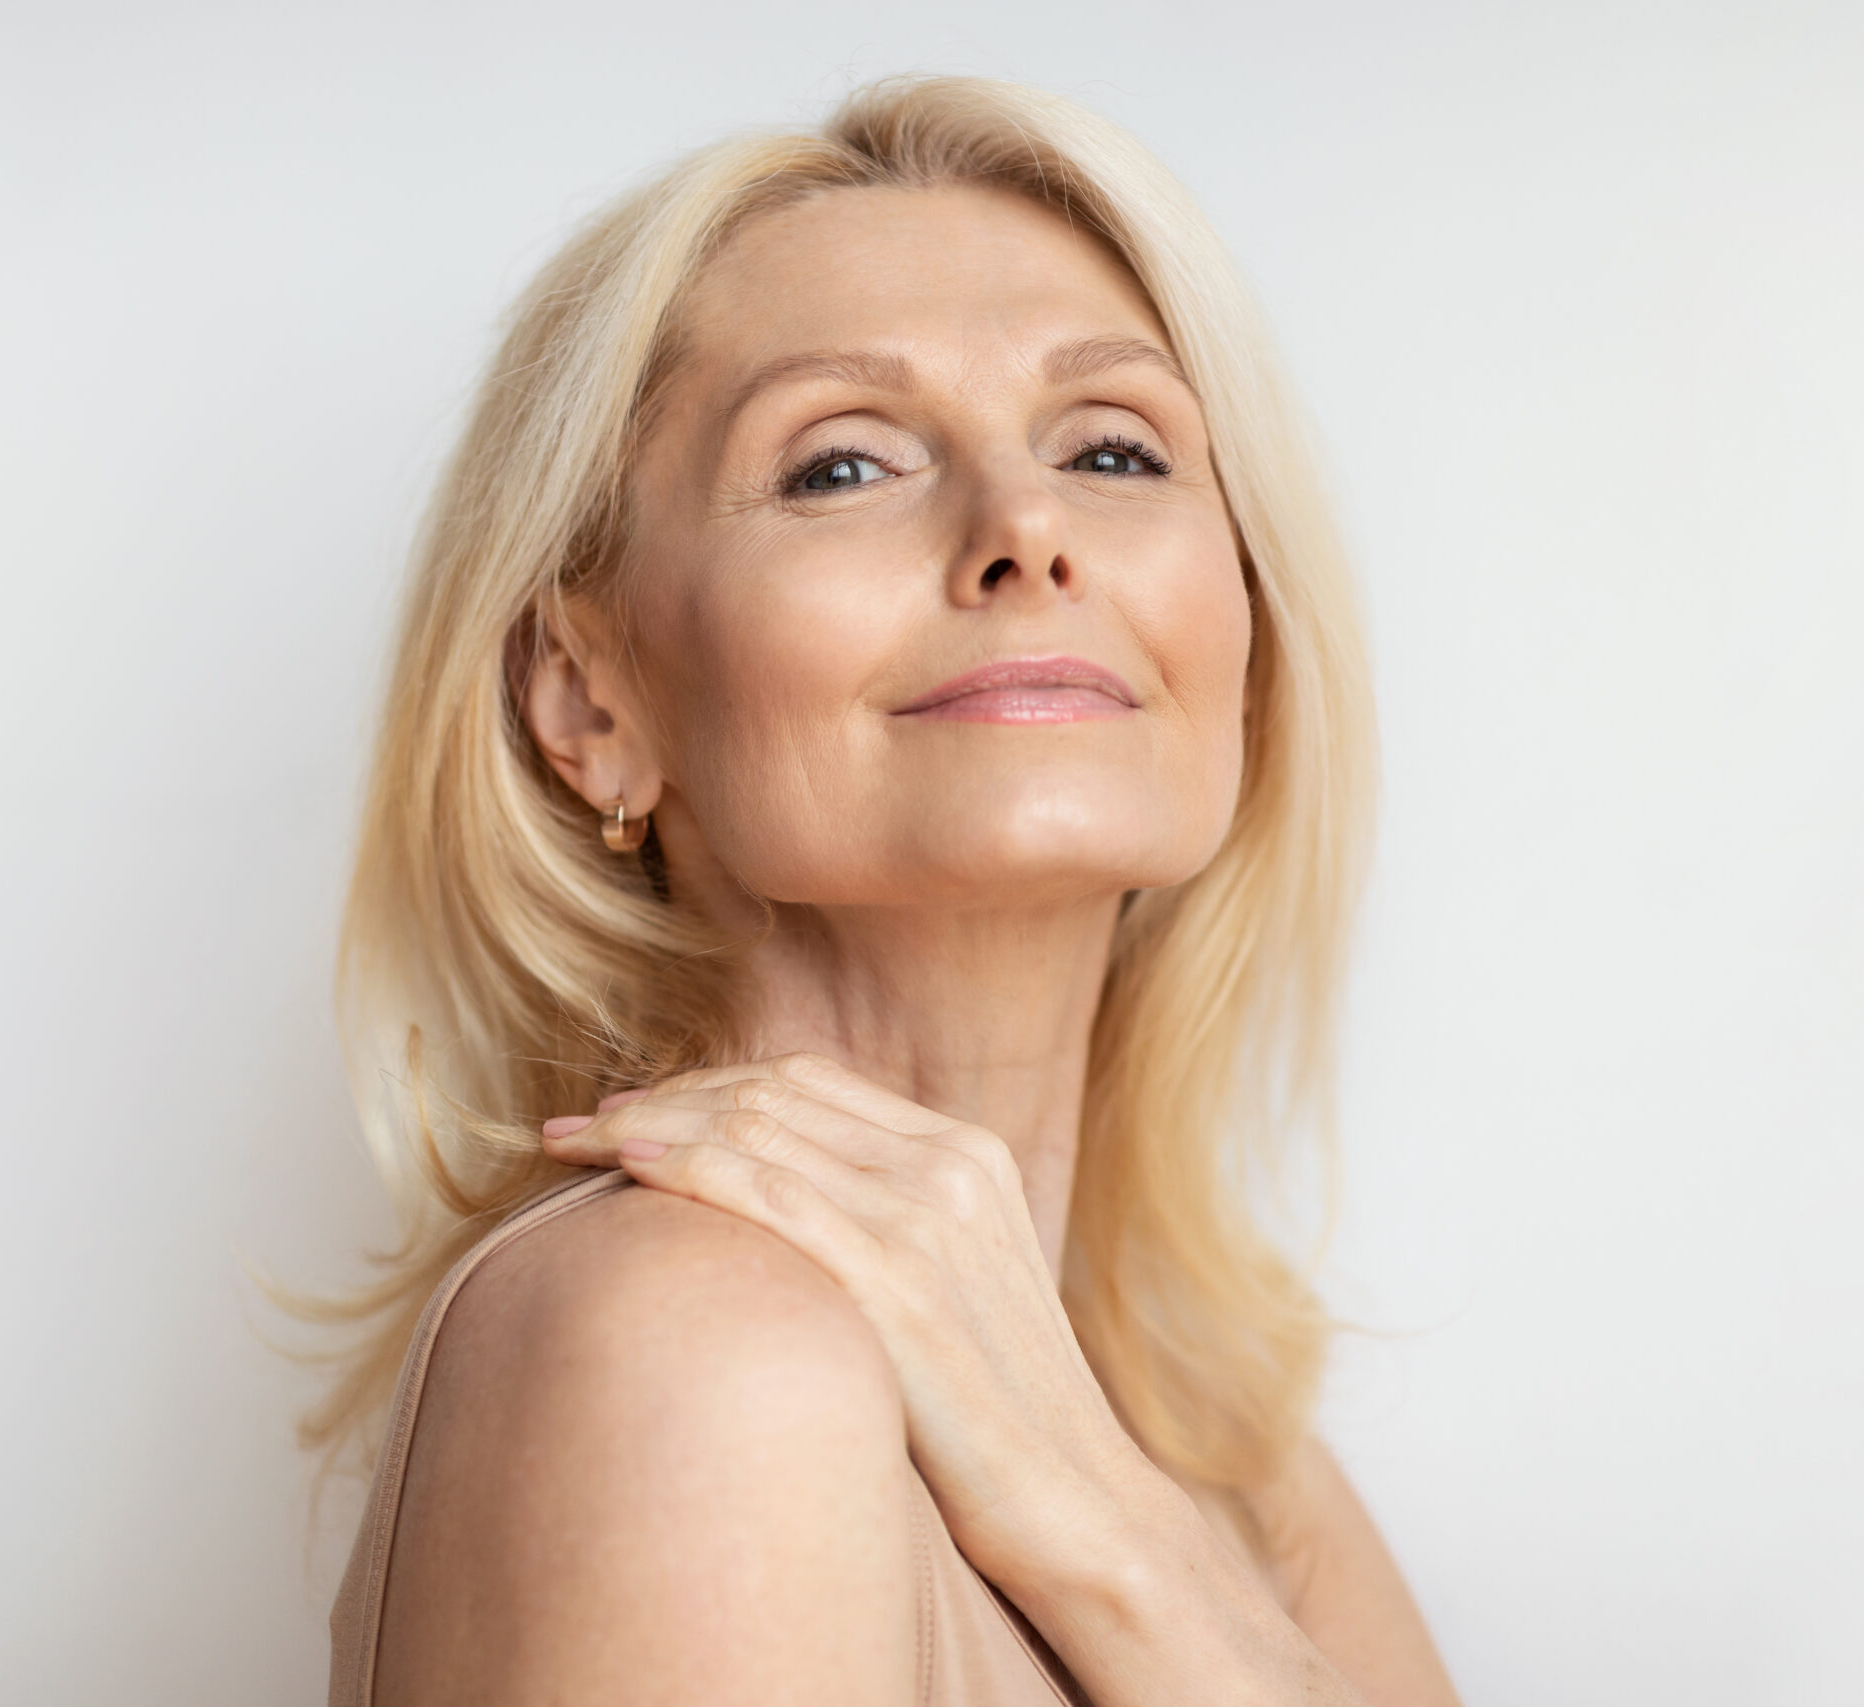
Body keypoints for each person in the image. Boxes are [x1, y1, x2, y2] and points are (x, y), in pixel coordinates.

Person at [308, 75, 1461, 1707]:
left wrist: (1099, 1505)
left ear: (1247, 651)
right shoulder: (686, 1341)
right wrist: (1114, 1538)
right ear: (590, 700)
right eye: (843, 466)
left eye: (1116, 448)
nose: (1029, 528)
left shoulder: (1219, 1465)